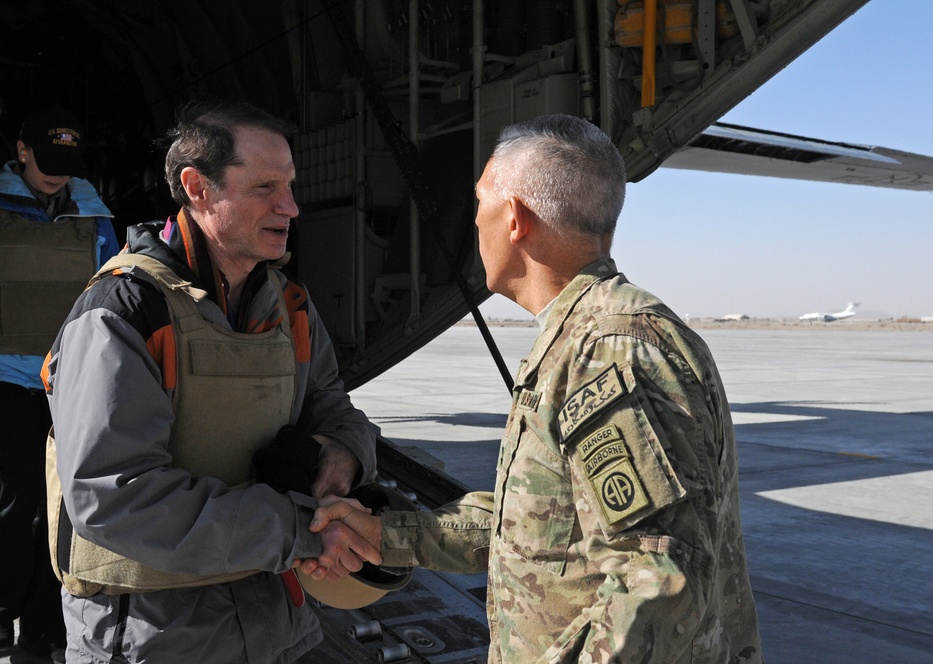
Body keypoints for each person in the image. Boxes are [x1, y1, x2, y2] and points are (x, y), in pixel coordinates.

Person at [316, 114, 765, 662]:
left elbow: (655, 583)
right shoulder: (580, 338)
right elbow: (537, 524)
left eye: (480, 201)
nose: (472, 220)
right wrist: (387, 535)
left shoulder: (610, 350)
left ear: (513, 219)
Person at [43, 101, 381, 664]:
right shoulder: (123, 313)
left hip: (278, 626)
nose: (291, 207)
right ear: (197, 187)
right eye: (265, 187)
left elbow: (336, 410)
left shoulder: (288, 305)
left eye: (291, 185)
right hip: (155, 637)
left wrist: (345, 455)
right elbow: (113, 497)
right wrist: (299, 528)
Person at [0, 105, 119, 661]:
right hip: (3, 381)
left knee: (63, 506)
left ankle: (46, 629)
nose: (57, 174)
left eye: (66, 164)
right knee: (10, 504)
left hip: (64, 383)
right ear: (21, 151)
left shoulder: (93, 214)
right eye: (47, 161)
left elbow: (108, 291)